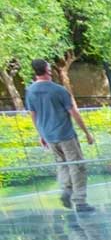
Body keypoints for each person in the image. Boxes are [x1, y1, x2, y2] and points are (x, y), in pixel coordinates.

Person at [25, 59, 94, 212]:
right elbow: (73, 112)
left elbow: (33, 115)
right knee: (77, 166)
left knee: (62, 165)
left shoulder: (30, 91)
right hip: (66, 135)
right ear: (47, 70)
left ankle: (66, 189)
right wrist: (87, 133)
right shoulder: (59, 90)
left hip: (49, 137)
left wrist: (41, 134)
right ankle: (80, 201)